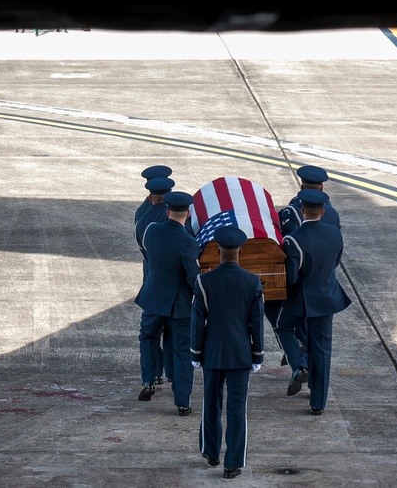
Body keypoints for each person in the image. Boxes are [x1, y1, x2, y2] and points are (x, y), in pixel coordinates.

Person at [190, 225, 264, 480]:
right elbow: (257, 322)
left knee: (210, 403)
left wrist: (195, 353)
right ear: (240, 251)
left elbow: (198, 321)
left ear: (218, 250)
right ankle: (232, 463)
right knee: (237, 407)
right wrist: (258, 355)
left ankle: (211, 452)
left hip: (211, 353)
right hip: (241, 354)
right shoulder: (252, 281)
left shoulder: (204, 281)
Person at [275, 189, 352, 415]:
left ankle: (299, 364)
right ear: (323, 211)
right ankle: (318, 403)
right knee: (322, 350)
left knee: (283, 327)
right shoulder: (334, 234)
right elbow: (335, 262)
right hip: (327, 297)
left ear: (302, 211)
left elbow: (292, 278)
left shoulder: (294, 240)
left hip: (301, 299)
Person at [268, 165, 341, 370]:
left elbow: (286, 245)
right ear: (322, 187)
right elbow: (335, 257)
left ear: (301, 186)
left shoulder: (291, 212)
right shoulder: (333, 215)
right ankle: (307, 365)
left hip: (298, 283)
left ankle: (297, 358)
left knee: (277, 312)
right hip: (324, 283)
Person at [136, 191, 201, 416]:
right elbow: (192, 278)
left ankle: (149, 379)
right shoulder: (189, 242)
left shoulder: (152, 231)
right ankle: (182, 401)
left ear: (167, 211)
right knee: (183, 350)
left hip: (153, 299)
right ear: (189, 213)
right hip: (179, 305)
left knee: (148, 337)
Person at [134, 173, 176, 386]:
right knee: (172, 331)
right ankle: (171, 373)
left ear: (150, 195)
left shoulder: (141, 217)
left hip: (152, 282)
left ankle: (151, 377)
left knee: (149, 334)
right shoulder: (177, 217)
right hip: (175, 287)